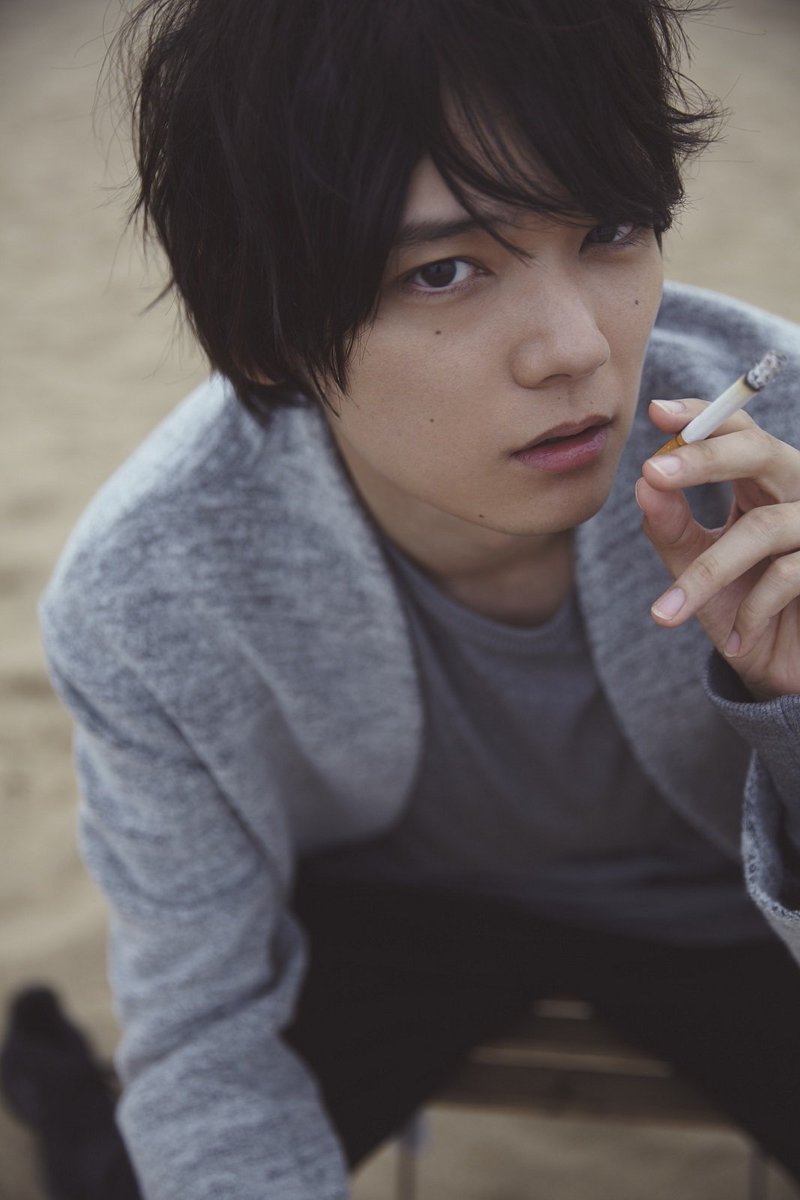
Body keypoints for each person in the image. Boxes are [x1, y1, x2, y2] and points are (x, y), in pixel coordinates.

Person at [33, 0, 800, 1196]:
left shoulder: (781, 447)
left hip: (728, 909)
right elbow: (207, 1034)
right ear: (269, 326)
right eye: (443, 271)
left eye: (607, 229)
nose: (572, 349)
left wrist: (792, 713)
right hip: (393, 921)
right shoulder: (151, 586)